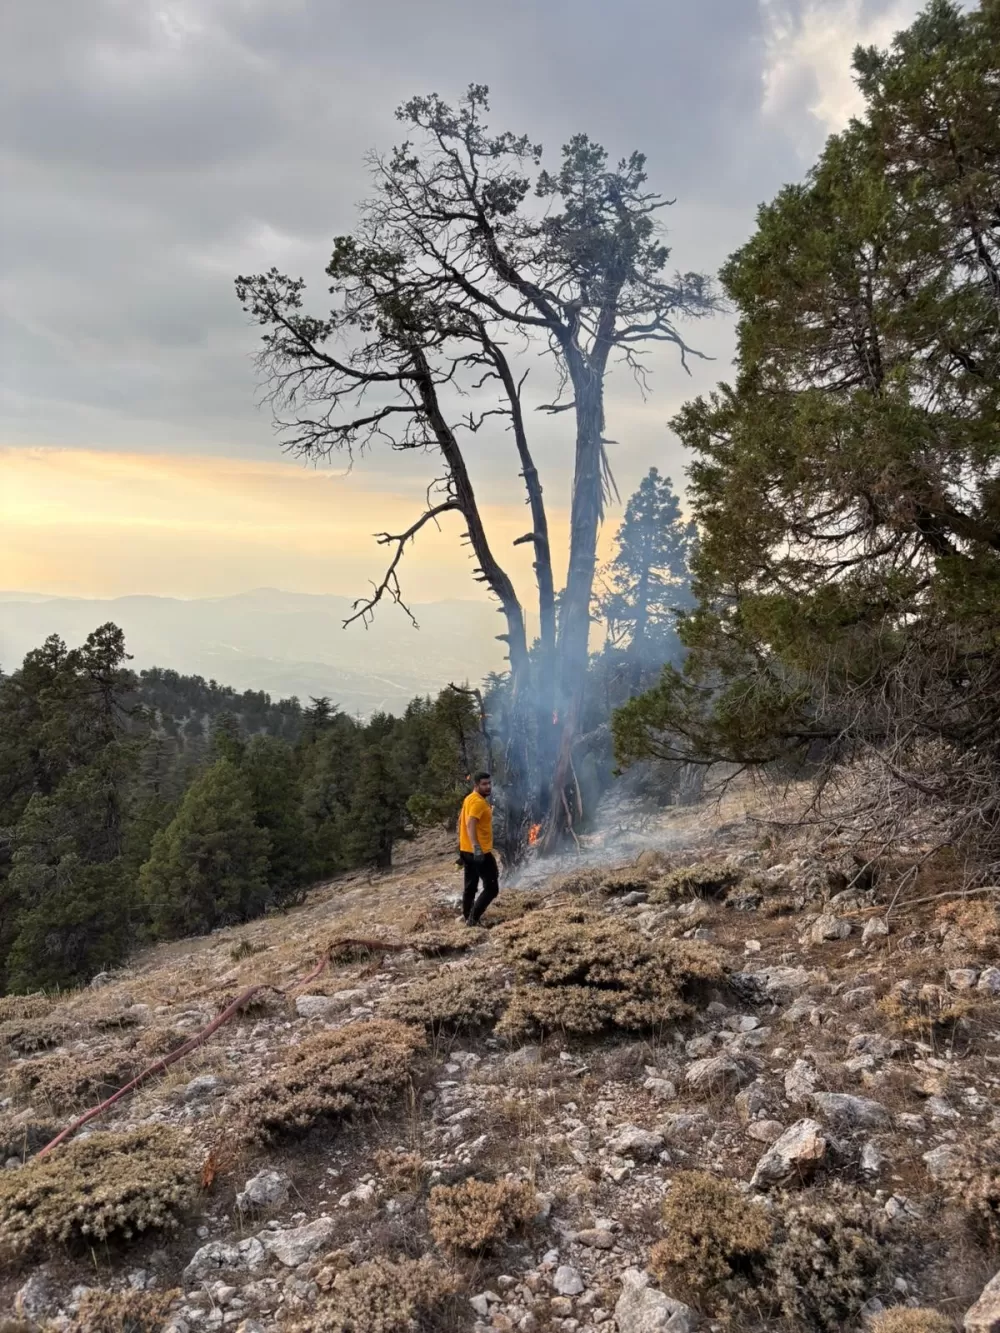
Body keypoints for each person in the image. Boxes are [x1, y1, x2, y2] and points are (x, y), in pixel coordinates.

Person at [458, 771, 499, 927]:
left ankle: (468, 916)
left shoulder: (469, 799)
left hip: (467, 850)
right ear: (476, 785)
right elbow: (470, 824)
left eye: (489, 783)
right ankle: (473, 919)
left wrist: (461, 849)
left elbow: (460, 821)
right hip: (479, 851)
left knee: (471, 886)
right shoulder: (478, 803)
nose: (488, 787)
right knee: (492, 888)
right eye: (484, 784)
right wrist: (476, 847)